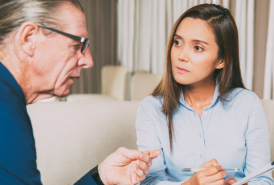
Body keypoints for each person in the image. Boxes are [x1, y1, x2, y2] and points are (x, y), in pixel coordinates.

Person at [0, 0, 160, 184]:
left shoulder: (9, 100)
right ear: (29, 39)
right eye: (77, 45)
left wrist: (100, 178)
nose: (88, 61)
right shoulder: (4, 109)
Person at [136, 3, 273, 185]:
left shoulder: (248, 104)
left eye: (197, 47)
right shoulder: (151, 108)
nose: (181, 56)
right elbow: (149, 182)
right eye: (177, 43)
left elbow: (263, 179)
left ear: (222, 60)